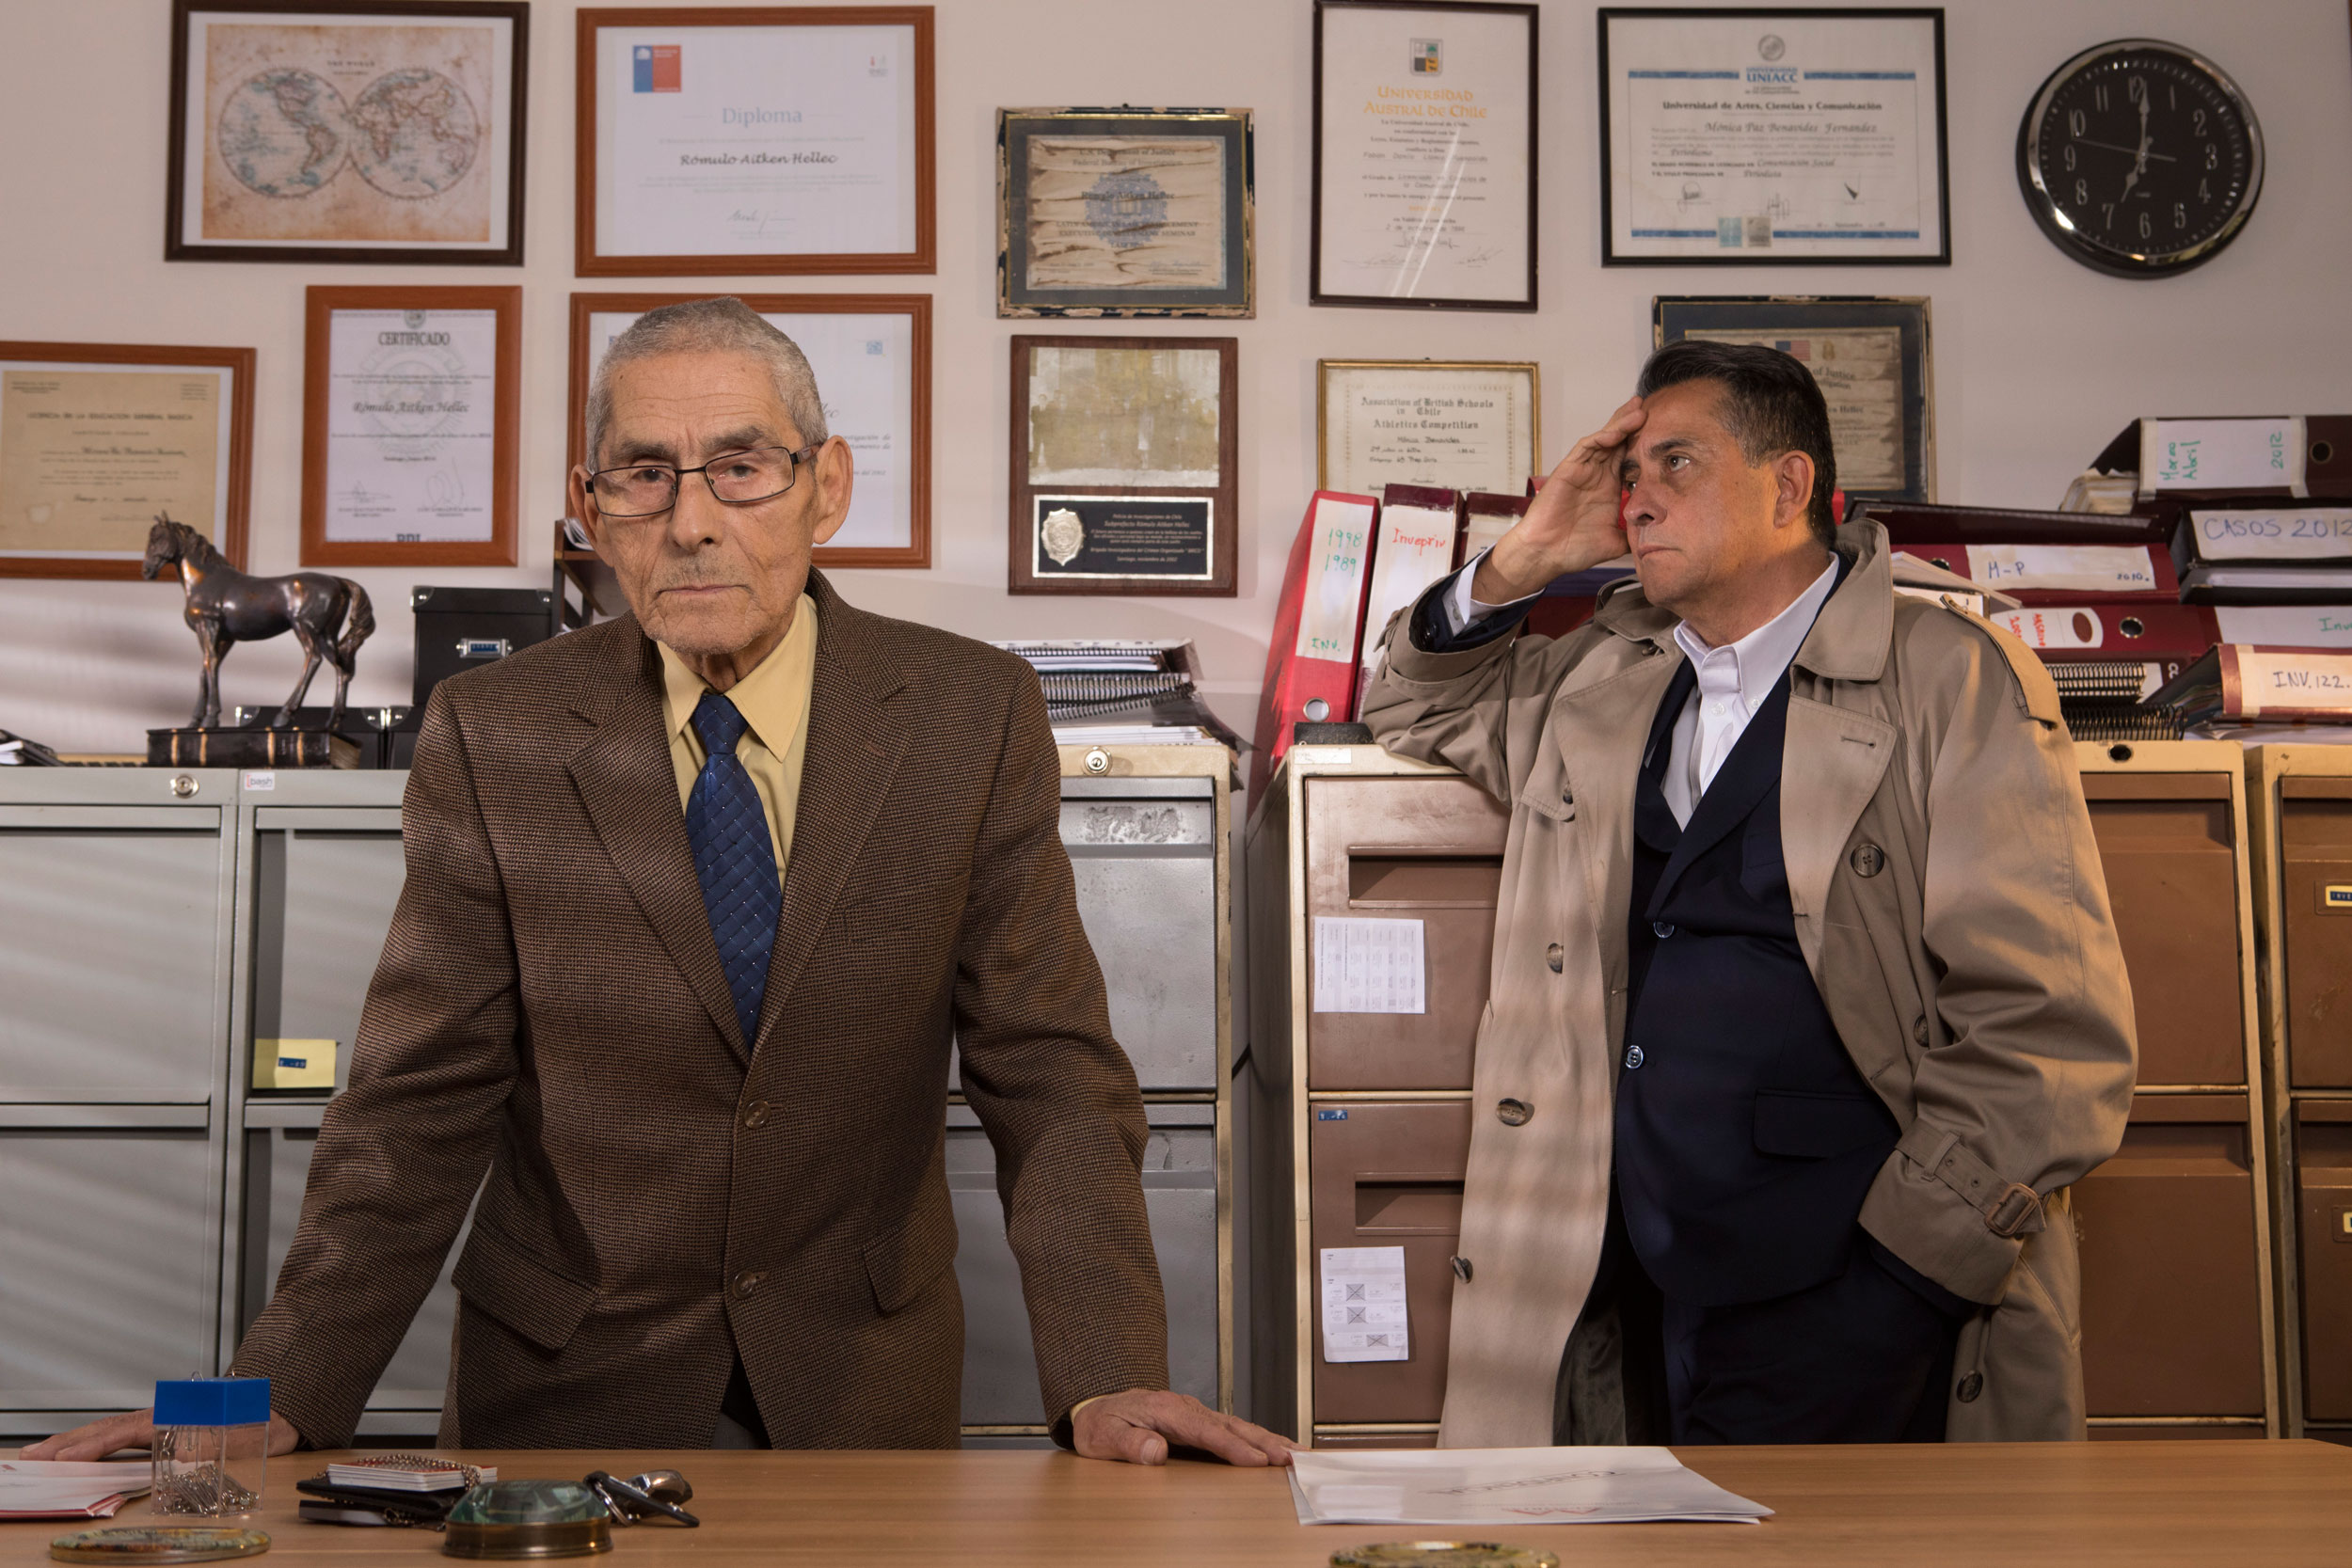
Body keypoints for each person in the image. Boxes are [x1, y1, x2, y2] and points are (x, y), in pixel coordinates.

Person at [30, 298, 1292, 1469]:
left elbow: (1049, 1067)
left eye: (741, 466)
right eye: (644, 474)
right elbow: (417, 1100)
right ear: (589, 506)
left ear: (826, 486)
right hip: (567, 1390)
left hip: (859, 1390)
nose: (691, 522)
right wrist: (283, 1388)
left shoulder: (968, 714)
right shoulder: (498, 731)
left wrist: (1108, 1371)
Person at [1359, 340, 2137, 1447]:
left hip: (1856, 1279)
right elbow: (1414, 704)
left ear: (1788, 486)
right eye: (1629, 474)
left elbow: (2049, 1028)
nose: (1637, 499)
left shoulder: (1949, 676)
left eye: (1676, 463)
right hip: (1622, 1278)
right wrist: (1525, 557)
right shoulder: (1605, 671)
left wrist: (1905, 1277)